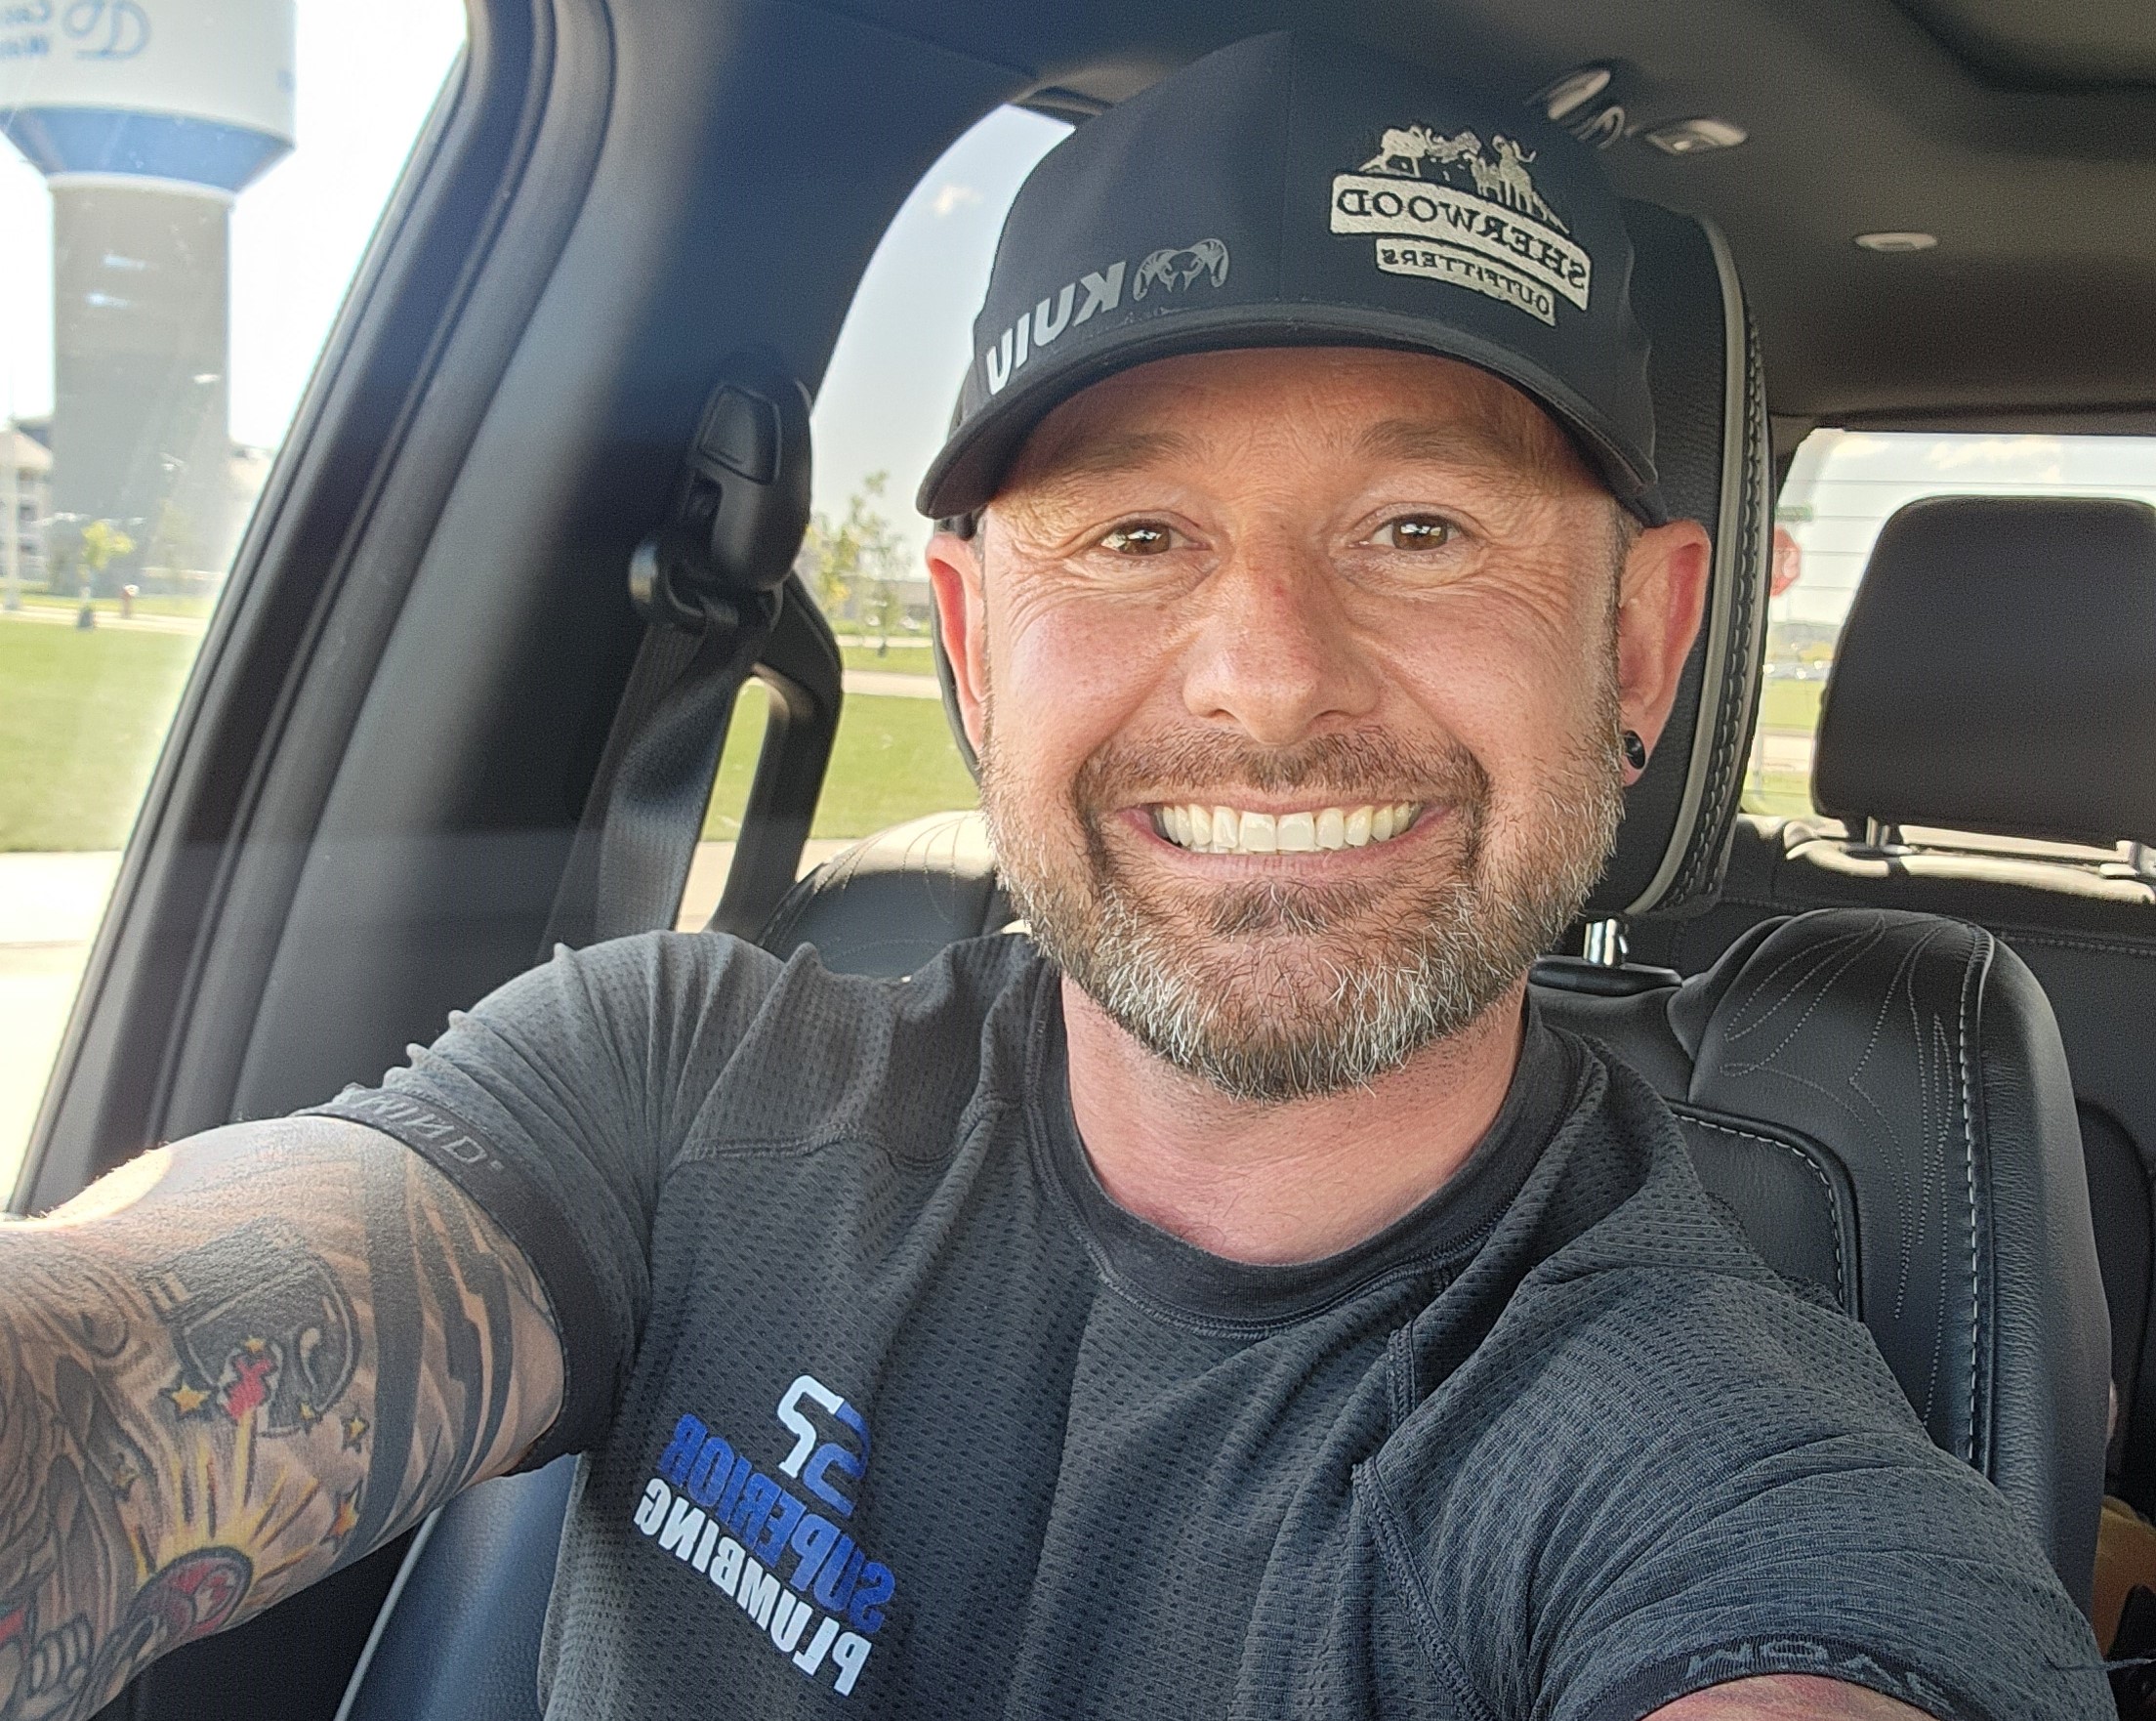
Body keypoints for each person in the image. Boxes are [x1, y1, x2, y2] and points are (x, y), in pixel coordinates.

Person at [0, 32, 2109, 1721]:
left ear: (1637, 642)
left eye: (1422, 530)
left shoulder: (1730, 1466)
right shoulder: (668, 1081)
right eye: (1134, 534)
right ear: (971, 641)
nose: (1267, 678)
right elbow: (131, 1356)